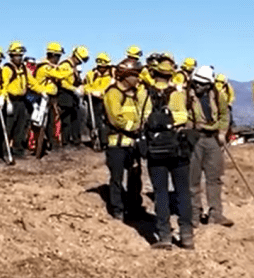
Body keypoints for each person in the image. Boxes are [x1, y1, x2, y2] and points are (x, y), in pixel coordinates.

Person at [142, 57, 193, 250]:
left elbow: (142, 118)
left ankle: (164, 235)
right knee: (182, 192)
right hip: (177, 147)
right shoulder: (177, 94)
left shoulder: (144, 93)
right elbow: (183, 116)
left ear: (153, 73)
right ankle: (187, 235)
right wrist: (170, 122)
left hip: (155, 150)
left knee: (160, 192)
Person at [187, 66, 232, 228]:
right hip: (194, 140)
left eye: (201, 83)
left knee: (214, 178)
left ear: (208, 85)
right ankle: (194, 214)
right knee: (193, 179)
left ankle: (215, 213)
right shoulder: (186, 95)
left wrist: (221, 132)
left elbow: (224, 115)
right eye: (196, 82)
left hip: (212, 139)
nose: (197, 86)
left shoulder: (218, 95)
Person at [103, 58, 146, 221]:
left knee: (135, 177)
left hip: (132, 144)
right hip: (117, 144)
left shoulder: (134, 94)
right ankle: (118, 209)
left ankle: (135, 208)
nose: (138, 79)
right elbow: (116, 119)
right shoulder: (113, 93)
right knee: (117, 178)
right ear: (126, 76)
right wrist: (135, 126)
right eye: (135, 75)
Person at [31, 42, 68, 153]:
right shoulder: (45, 67)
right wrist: (67, 68)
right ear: (52, 55)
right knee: (40, 123)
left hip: (51, 98)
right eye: (58, 56)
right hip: (43, 98)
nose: (58, 59)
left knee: (52, 122)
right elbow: (61, 75)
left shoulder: (49, 66)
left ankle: (53, 143)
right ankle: (37, 146)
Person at [2, 41, 32, 157]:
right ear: (11, 56)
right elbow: (3, 86)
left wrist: (42, 90)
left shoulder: (24, 69)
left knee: (20, 126)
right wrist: (7, 101)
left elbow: (31, 82)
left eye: (20, 56)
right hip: (11, 100)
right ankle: (4, 150)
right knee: (8, 127)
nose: (19, 58)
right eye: (16, 56)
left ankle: (18, 150)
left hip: (21, 101)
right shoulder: (7, 69)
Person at [57, 46, 90, 148]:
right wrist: (74, 89)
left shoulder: (74, 67)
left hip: (73, 96)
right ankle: (65, 142)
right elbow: (62, 82)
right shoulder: (65, 65)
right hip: (65, 94)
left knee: (76, 118)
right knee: (66, 120)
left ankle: (76, 140)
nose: (80, 63)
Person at [83, 53, 114, 149]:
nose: (102, 69)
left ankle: (105, 141)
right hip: (93, 100)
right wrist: (90, 91)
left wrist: (102, 92)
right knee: (91, 121)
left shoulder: (112, 76)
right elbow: (85, 86)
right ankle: (95, 140)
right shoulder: (91, 74)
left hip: (107, 101)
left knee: (105, 121)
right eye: (100, 66)